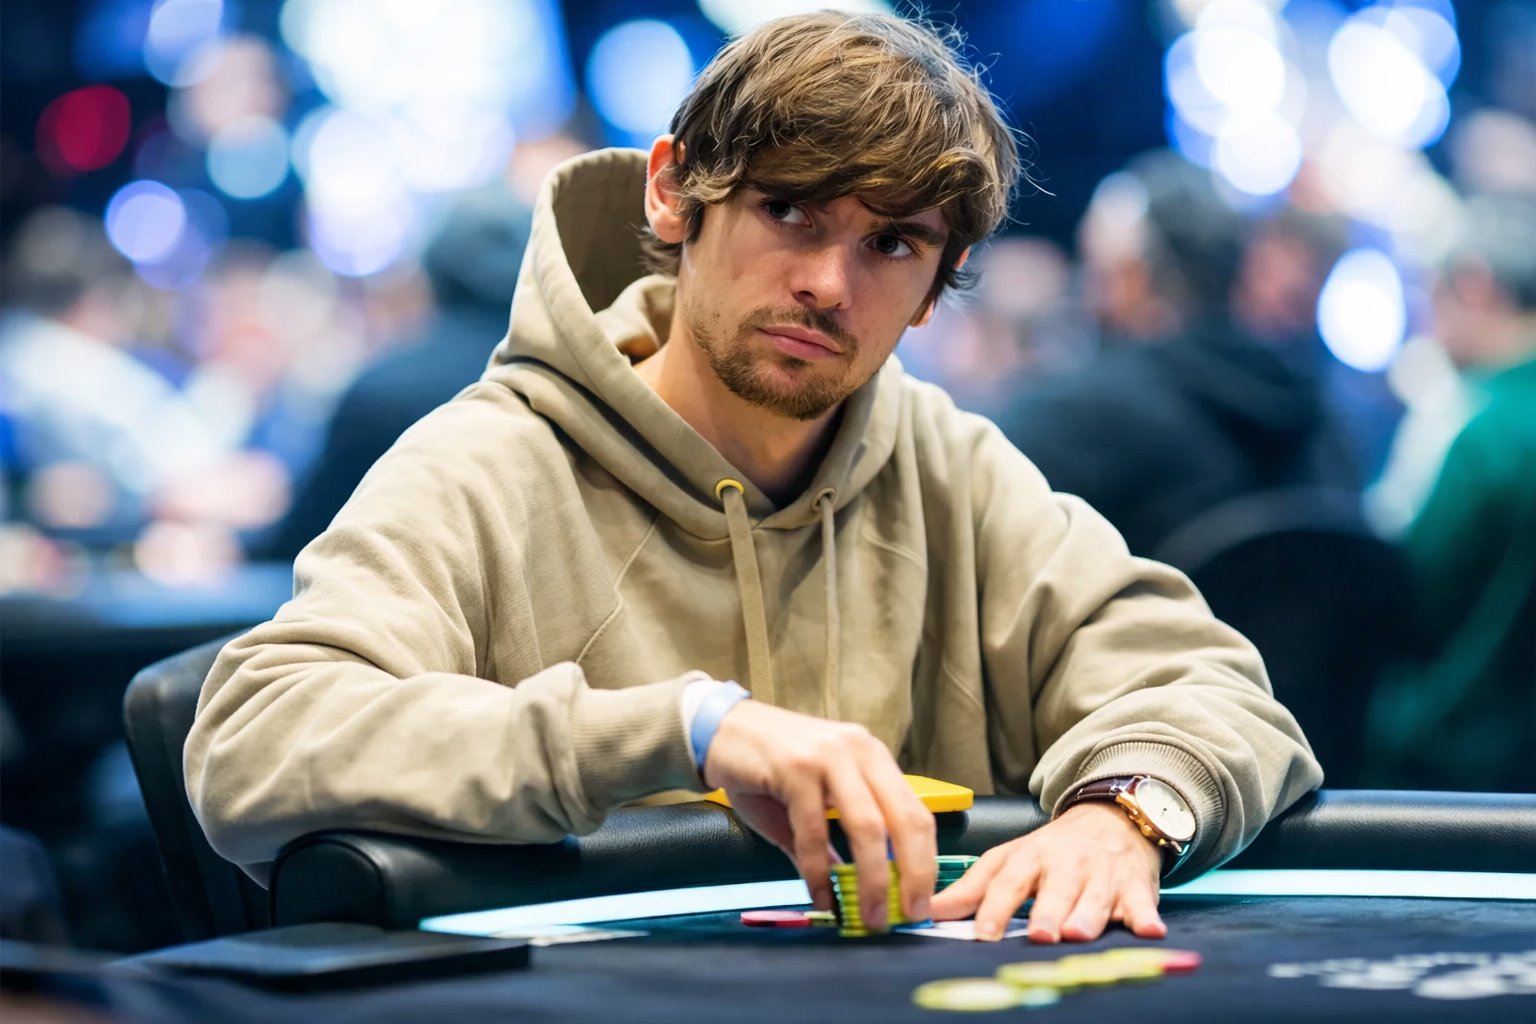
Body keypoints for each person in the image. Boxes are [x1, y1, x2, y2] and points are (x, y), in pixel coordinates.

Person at [186, 13, 1320, 946]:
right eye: (789, 209)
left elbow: (1213, 687)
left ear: (940, 284)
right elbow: (254, 739)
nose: (829, 283)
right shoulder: (488, 461)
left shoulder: (951, 466)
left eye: (892, 243)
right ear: (673, 192)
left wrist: (1124, 815)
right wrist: (686, 729)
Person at [997, 153, 1357, 558]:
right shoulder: (1319, 416)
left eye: (1097, 271)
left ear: (1133, 278)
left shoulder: (1078, 414)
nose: (1089, 295)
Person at [258, 187, 532, 561]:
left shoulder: (382, 390)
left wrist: (235, 544)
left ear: (430, 278)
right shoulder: (567, 381)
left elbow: (312, 536)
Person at [1365, 196, 1536, 793]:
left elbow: (1414, 598)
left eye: (1430, 298)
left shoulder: (1483, 434)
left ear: (1475, 285)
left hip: (1462, 768)